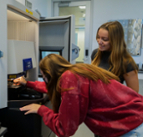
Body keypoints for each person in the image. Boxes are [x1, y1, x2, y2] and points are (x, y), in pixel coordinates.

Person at [14, 54, 143, 137]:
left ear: (49, 75)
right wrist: (28, 83)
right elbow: (57, 88)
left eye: (44, 77)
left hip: (131, 128)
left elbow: (66, 129)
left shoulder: (69, 79)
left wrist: (41, 109)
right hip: (136, 117)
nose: (45, 81)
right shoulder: (77, 71)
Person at [91, 21, 139, 93]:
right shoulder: (96, 54)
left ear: (115, 41)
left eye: (105, 39)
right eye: (98, 37)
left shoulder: (127, 62)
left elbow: (134, 94)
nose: (99, 41)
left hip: (112, 103)